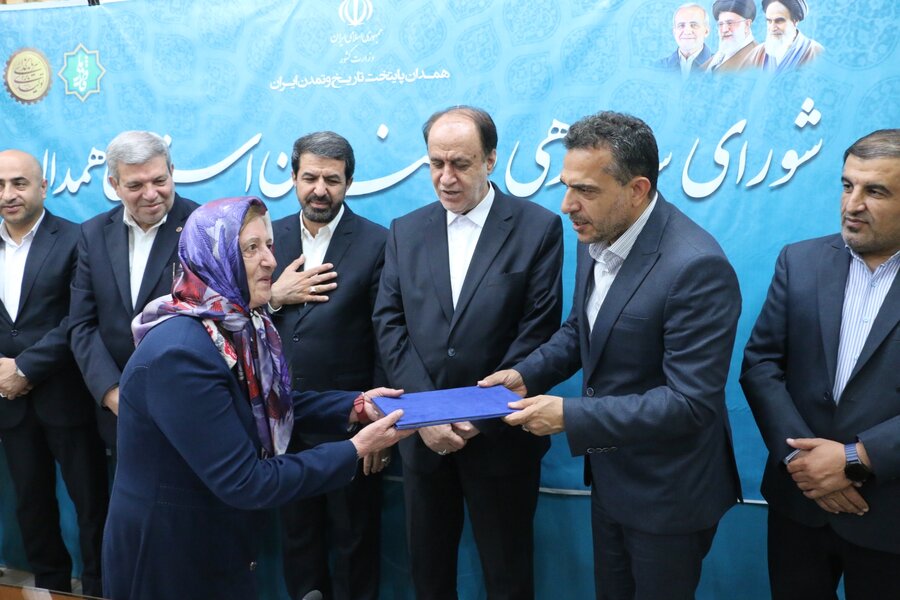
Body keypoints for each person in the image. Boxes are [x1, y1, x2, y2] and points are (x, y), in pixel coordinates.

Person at [482, 111, 742, 600]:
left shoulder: (697, 268)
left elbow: (690, 404)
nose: (567, 206)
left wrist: (570, 415)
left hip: (668, 493)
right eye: (566, 186)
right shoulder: (597, 232)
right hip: (611, 478)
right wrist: (524, 374)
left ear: (637, 190)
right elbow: (582, 331)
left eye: (585, 190)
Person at [101, 196, 410, 600]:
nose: (270, 261)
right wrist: (355, 449)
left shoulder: (234, 324)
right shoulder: (180, 354)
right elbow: (246, 481)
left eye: (269, 245)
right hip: (168, 557)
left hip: (215, 543)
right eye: (250, 248)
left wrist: (353, 406)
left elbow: (265, 405)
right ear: (212, 258)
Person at [373, 106, 563, 599]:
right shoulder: (405, 230)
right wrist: (426, 415)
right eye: (436, 163)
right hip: (423, 442)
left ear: (491, 160)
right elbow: (389, 323)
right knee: (429, 576)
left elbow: (537, 331)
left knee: (508, 576)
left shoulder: (537, 228)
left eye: (460, 163)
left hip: (501, 440)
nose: (446, 177)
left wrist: (478, 414)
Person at [740, 129, 900, 599]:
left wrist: (855, 458)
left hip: (890, 511)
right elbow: (761, 365)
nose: (853, 204)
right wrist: (802, 462)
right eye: (847, 185)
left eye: (875, 191)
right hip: (800, 506)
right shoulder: (800, 261)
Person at [270, 131, 388, 600]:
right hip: (282, 423)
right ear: (294, 178)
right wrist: (275, 297)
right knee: (297, 542)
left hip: (350, 423)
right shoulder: (266, 239)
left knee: (355, 542)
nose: (320, 190)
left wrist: (378, 423)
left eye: (332, 180)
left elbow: (387, 339)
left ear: (349, 182)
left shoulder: (378, 242)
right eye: (310, 178)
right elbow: (234, 316)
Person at [0, 150, 108, 597]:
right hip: (10, 403)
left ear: (43, 187)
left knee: (92, 505)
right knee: (31, 505)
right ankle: (49, 587)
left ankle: (99, 587)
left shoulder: (77, 238)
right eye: (0, 185)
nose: (8, 194)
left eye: (19, 183)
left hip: (67, 398)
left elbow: (79, 319)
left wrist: (26, 366)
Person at [69, 130, 198, 449]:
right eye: (136, 185)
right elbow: (82, 324)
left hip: (187, 406)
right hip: (118, 414)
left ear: (172, 171)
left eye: (159, 180)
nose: (151, 194)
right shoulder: (93, 234)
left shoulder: (202, 226)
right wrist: (112, 392)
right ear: (114, 185)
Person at [746, 0, 823, 73]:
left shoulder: (815, 52)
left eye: (779, 21)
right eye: (769, 21)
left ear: (795, 21)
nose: (772, 28)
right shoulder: (757, 54)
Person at [656, 3, 712, 78]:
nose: (687, 31)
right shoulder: (658, 68)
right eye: (681, 25)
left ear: (706, 31)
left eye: (694, 25)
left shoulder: (721, 68)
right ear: (674, 32)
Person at [702, 0, 759, 72]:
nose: (724, 29)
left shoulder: (756, 60)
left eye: (730, 23)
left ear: (747, 25)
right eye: (721, 24)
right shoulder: (721, 54)